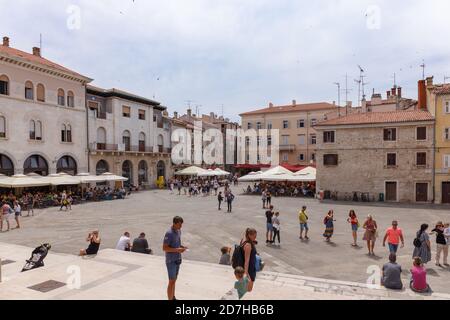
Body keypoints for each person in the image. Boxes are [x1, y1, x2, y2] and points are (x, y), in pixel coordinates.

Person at [163, 216, 187, 301]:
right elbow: (165, 248)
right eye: (179, 225)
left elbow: (177, 243)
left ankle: (173, 297)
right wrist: (177, 250)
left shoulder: (178, 231)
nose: (181, 227)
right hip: (171, 260)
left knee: (174, 280)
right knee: (171, 281)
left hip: (177, 259)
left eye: (181, 225)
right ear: (174, 223)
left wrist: (182, 247)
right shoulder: (169, 233)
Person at [241, 228, 257, 292]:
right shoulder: (248, 245)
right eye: (254, 236)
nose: (255, 238)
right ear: (249, 235)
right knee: (248, 289)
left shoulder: (244, 240)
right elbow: (247, 260)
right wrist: (246, 273)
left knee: (247, 289)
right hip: (249, 269)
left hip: (249, 267)